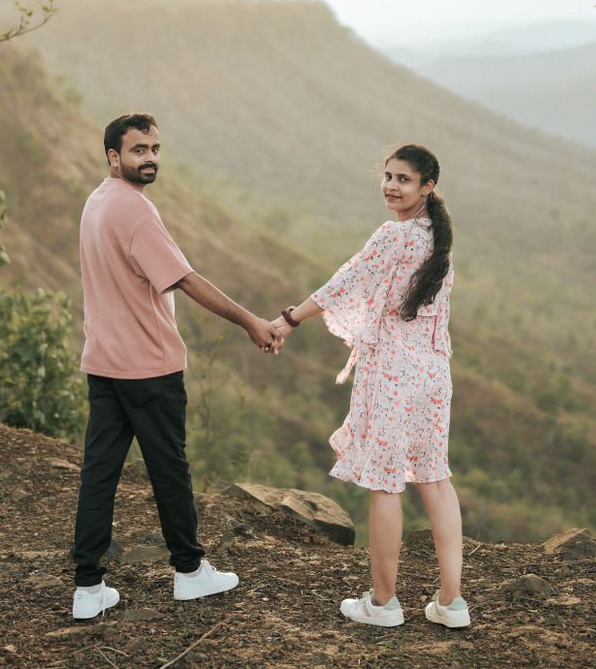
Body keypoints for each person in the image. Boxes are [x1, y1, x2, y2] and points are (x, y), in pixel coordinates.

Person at [71, 112, 282, 620]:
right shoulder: (136, 212)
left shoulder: (97, 201)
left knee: (100, 473)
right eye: (139, 149)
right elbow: (184, 279)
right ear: (113, 155)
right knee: (170, 470)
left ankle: (87, 588)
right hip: (147, 366)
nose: (150, 158)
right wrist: (251, 320)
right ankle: (190, 573)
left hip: (104, 362)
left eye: (156, 149)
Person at [270, 143, 470, 630]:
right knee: (435, 479)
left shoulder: (393, 235)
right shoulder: (437, 239)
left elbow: (346, 282)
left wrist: (287, 319)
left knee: (385, 484)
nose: (390, 186)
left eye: (403, 179)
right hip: (434, 371)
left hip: (395, 374)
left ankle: (383, 604)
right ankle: (451, 603)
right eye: (387, 176)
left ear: (427, 187)